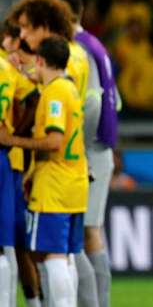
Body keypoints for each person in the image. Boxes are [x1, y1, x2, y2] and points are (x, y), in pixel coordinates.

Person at [0, 36, 88, 307]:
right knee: (64, 255)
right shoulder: (69, 88)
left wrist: (13, 140)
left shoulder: (54, 94)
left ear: (40, 60)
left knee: (52, 256)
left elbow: (54, 141)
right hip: (75, 183)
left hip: (54, 185)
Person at [46, 0, 119, 307]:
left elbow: (94, 102)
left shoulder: (77, 48)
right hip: (98, 149)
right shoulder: (94, 44)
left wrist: (81, 147)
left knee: (83, 234)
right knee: (91, 233)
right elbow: (115, 101)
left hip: (87, 152)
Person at [0, 20, 40, 307]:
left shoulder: (7, 65)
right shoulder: (7, 68)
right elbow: (33, 96)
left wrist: (15, 136)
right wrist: (15, 134)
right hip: (8, 159)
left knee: (9, 242)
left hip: (9, 159)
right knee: (11, 242)